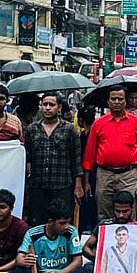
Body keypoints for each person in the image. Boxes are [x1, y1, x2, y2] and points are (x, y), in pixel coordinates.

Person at [83, 87, 137, 220]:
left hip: (128, 175)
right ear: (108, 102)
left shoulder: (136, 122)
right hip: (104, 175)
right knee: (104, 213)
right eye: (113, 99)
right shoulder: (98, 123)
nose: (117, 102)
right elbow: (89, 154)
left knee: (128, 213)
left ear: (125, 101)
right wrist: (86, 182)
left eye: (120, 99)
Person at [22, 92, 84, 225]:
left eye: (52, 105)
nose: (48, 108)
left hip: (62, 185)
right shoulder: (32, 129)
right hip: (38, 185)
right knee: (38, 224)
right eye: (45, 104)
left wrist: (78, 186)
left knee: (61, 223)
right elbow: (27, 157)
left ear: (59, 107)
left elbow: (77, 160)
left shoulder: (69, 129)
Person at [15, 198, 87, 273]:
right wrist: (25, 261)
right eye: (62, 223)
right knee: (19, 272)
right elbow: (19, 259)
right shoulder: (32, 233)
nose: (66, 226)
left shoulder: (71, 232)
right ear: (51, 222)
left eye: (68, 222)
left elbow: (78, 261)